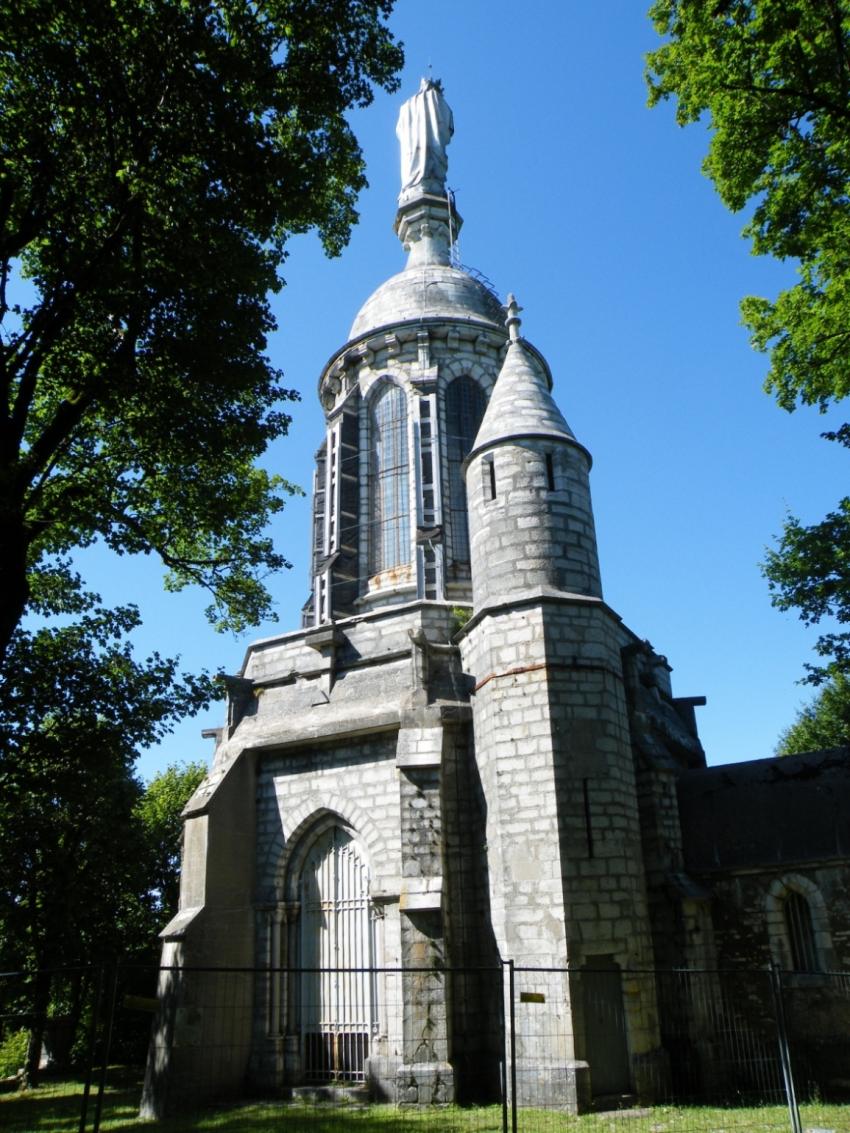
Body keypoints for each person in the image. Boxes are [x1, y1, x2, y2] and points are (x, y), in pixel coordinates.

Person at [396, 77, 454, 199]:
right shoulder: (436, 98)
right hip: (431, 155)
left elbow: (400, 130)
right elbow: (447, 125)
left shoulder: (405, 106)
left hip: (411, 161)